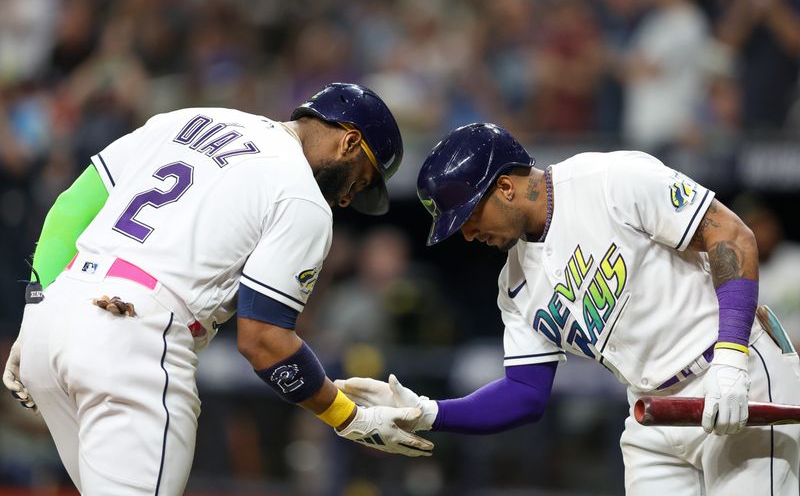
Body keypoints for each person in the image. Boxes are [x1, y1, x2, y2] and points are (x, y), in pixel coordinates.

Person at [2, 83, 433, 495]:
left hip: (56, 318)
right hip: (132, 339)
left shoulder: (193, 118)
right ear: (350, 142)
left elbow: (70, 208)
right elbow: (264, 341)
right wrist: (347, 416)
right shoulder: (302, 197)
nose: (347, 198)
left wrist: (38, 308)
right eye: (359, 181)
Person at [336, 123, 800, 495]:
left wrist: (731, 360)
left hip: (733, 371)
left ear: (505, 188)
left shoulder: (609, 180)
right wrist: (429, 412)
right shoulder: (514, 283)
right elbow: (525, 394)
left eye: (469, 217)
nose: (468, 235)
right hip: (650, 411)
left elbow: (732, 236)